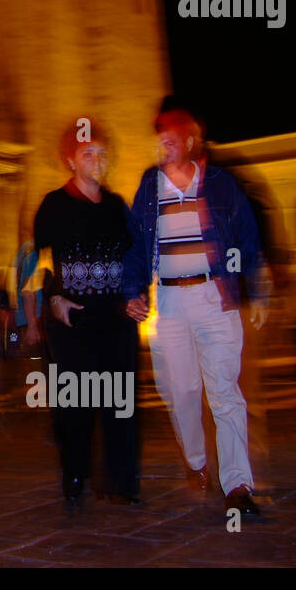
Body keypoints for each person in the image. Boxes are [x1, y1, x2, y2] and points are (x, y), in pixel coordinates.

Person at [123, 102, 271, 518]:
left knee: (225, 392)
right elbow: (135, 244)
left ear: (190, 141)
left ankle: (238, 484)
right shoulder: (149, 186)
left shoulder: (221, 184)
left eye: (171, 138)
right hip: (169, 302)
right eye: (160, 139)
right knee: (181, 391)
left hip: (215, 296)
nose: (164, 146)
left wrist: (255, 290)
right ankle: (196, 461)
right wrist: (133, 291)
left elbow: (246, 236)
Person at [29, 119, 140, 509]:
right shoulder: (53, 206)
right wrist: (53, 298)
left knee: (120, 400)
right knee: (75, 403)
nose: (97, 160)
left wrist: (136, 295)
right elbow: (37, 263)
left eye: (102, 153)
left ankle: (122, 481)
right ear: (71, 160)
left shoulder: (117, 207)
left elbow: (135, 257)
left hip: (115, 317)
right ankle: (75, 472)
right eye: (88, 154)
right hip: (72, 319)